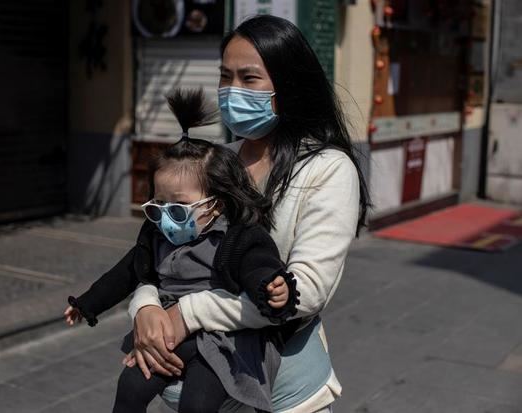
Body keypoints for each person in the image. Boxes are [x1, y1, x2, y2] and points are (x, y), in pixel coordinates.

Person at [124, 15, 369, 413]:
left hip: (285, 393)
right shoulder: (216, 161)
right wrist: (147, 306)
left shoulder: (327, 169)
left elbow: (303, 292)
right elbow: (159, 251)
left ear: (287, 85)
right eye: (225, 76)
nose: (232, 91)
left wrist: (184, 312)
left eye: (249, 78)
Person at [65, 88, 301, 413]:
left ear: (215, 205)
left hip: (225, 340)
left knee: (198, 403)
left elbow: (258, 265)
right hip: (167, 331)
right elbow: (126, 272)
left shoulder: (237, 237)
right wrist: (87, 304)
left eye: (179, 208)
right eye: (157, 206)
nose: (165, 218)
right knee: (130, 387)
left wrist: (272, 286)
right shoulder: (155, 234)